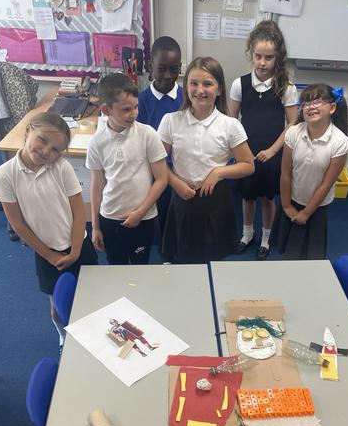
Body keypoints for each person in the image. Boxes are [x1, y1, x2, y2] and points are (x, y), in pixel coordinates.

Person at [0, 112, 98, 348]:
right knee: (58, 307)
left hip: (79, 244)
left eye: (55, 150)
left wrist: (76, 250)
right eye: (42, 140)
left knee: (91, 295)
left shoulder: (61, 168)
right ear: (28, 130)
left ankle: (94, 334)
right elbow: (18, 224)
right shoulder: (6, 174)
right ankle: (64, 337)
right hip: (47, 253)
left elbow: (79, 213)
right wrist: (50, 256)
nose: (46, 152)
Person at [158, 57, 254, 264]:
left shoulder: (230, 125)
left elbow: (248, 165)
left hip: (216, 200)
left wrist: (219, 172)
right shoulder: (171, 121)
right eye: (194, 83)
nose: (200, 90)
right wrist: (175, 183)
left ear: (219, 90)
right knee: (183, 257)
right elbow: (157, 163)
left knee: (213, 260)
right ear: (186, 87)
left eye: (208, 84)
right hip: (183, 197)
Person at [230, 20, 297, 260]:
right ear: (251, 53)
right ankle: (247, 233)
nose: (262, 62)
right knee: (247, 196)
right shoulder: (239, 84)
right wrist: (240, 150)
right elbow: (231, 120)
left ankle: (266, 238)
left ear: (278, 58)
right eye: (258, 56)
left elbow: (292, 122)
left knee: (268, 198)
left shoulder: (285, 87)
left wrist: (273, 150)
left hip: (272, 152)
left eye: (269, 58)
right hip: (246, 151)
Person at [87, 73, 168, 265]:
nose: (134, 113)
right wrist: (95, 227)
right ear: (106, 110)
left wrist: (140, 212)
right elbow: (96, 186)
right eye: (126, 109)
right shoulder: (96, 142)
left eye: (136, 107)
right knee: (116, 266)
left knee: (141, 266)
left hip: (144, 217)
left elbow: (162, 179)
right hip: (110, 217)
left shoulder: (148, 135)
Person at [272, 83, 348, 260]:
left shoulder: (340, 141)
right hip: (291, 200)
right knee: (288, 249)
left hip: (317, 207)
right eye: (306, 103)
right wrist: (286, 205)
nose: (310, 106)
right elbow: (285, 173)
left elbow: (326, 184)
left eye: (317, 101)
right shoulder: (293, 133)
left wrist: (306, 213)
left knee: (310, 254)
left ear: (332, 108)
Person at [137, 36, 183, 260]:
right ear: (150, 66)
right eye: (161, 69)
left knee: (180, 214)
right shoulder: (140, 102)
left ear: (180, 68)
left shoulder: (187, 97)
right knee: (160, 212)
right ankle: (165, 252)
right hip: (154, 171)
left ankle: (178, 248)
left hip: (183, 168)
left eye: (174, 69)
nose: (167, 76)